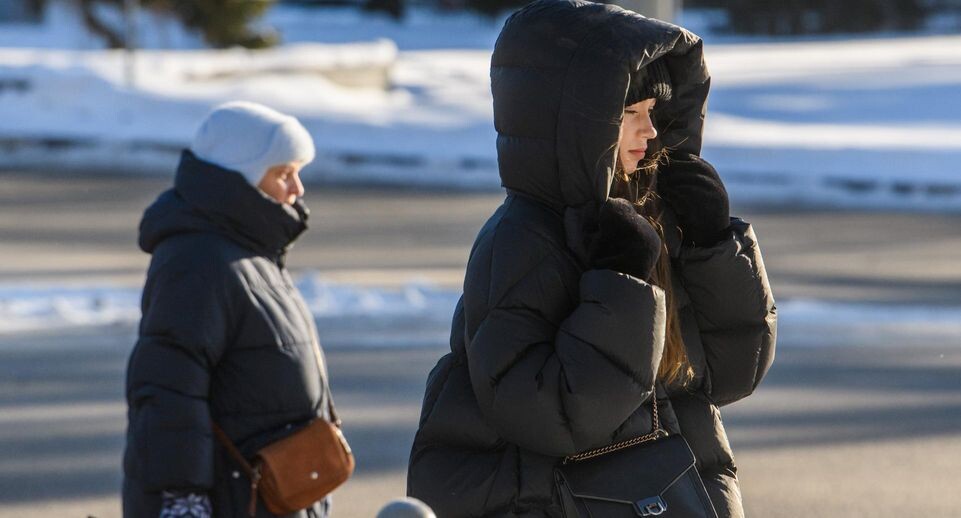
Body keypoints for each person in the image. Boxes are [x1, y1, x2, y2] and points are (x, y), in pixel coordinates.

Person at [406, 1, 776, 517]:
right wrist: (622, 283)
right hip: (564, 500)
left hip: (669, 492)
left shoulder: (643, 219)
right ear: (581, 125)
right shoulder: (522, 240)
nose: (650, 133)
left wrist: (712, 245)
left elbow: (729, 374)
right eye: (630, 116)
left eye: (653, 114)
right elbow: (550, 413)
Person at [123, 101, 335, 517]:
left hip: (269, 495)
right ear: (240, 179)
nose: (298, 189)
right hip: (233, 500)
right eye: (283, 174)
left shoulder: (249, 254)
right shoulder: (199, 262)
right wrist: (181, 500)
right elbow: (168, 390)